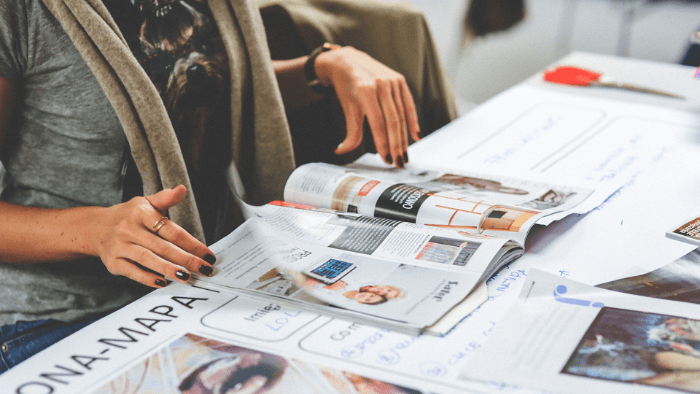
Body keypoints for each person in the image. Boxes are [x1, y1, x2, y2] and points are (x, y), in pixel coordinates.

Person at [0, 0, 454, 373]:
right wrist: (97, 231)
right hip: (60, 317)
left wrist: (323, 67)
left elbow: (204, 87)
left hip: (210, 279)